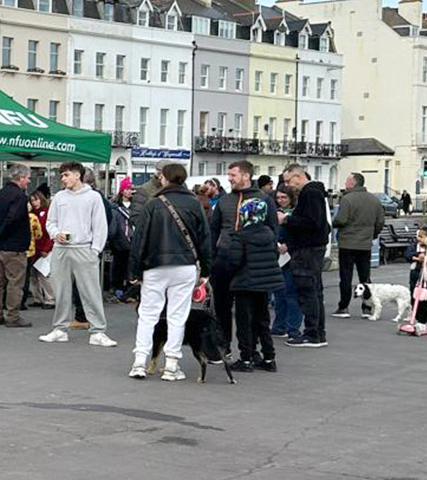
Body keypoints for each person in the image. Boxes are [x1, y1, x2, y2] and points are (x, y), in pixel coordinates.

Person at [128, 162, 211, 381]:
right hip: (185, 265)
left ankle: (139, 362)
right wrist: (206, 270)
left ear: (164, 178)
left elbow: (139, 239)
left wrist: (135, 271)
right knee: (177, 315)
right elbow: (205, 239)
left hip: (154, 265)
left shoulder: (153, 204)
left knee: (148, 315)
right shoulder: (194, 204)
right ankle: (172, 364)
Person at [211, 160, 280, 372]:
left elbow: (272, 230)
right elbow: (214, 231)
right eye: (229, 175)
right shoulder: (224, 201)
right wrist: (212, 260)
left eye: (233, 174)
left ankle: (251, 353)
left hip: (252, 262)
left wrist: (267, 257)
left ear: (246, 176)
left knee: (252, 311)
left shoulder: (263, 200)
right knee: (222, 307)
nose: (229, 178)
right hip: (225, 260)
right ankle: (224, 347)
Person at [40, 161, 117, 347]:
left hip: (83, 247)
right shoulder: (59, 197)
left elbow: (100, 225)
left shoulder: (93, 197)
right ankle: (60, 328)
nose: (63, 179)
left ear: (77, 175)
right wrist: (55, 233)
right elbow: (51, 221)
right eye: (62, 175)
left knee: (90, 291)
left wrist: (95, 250)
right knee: (61, 290)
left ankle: (98, 330)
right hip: (61, 248)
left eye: (66, 175)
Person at [282, 164, 331, 348]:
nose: (287, 185)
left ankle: (312, 334)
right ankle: (318, 332)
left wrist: (287, 219)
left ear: (298, 177)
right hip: (313, 248)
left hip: (307, 250)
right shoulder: (316, 193)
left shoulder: (309, 194)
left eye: (288, 181)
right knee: (315, 291)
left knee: (307, 290)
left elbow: (312, 222)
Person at [0, 164, 34, 328]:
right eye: (27, 178)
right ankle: (13, 316)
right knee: (15, 282)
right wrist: (1, 232)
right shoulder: (19, 196)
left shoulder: (0, 194)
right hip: (14, 245)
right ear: (20, 178)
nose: (28, 181)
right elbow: (13, 218)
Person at [331, 172, 384, 318]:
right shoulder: (374, 200)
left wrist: (333, 223)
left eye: (347, 180)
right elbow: (380, 222)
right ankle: (366, 307)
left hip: (347, 242)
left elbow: (341, 220)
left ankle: (344, 307)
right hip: (365, 243)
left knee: (346, 276)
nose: (345, 183)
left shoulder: (347, 199)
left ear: (353, 183)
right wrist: (372, 235)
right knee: (365, 276)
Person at [398, 226, 427, 336]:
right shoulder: (415, 245)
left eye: (421, 237)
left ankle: (422, 322)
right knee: (414, 297)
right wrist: (418, 256)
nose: (419, 239)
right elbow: (408, 254)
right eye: (418, 236)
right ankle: (413, 318)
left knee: (425, 300)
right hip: (415, 275)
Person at [270, 187, 302, 336]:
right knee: (279, 295)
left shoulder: (296, 214)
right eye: (278, 198)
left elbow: (302, 234)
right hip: (278, 257)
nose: (281, 200)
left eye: (284, 197)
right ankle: (279, 325)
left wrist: (288, 245)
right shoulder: (274, 213)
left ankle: (293, 328)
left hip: (292, 257)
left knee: (291, 294)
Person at [26, 188, 56, 307]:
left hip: (45, 247)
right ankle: (37, 298)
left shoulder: (47, 213)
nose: (34, 203)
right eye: (32, 201)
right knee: (34, 275)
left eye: (36, 200)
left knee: (44, 275)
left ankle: (50, 299)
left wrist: (47, 248)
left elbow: (50, 233)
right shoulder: (32, 214)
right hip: (34, 248)